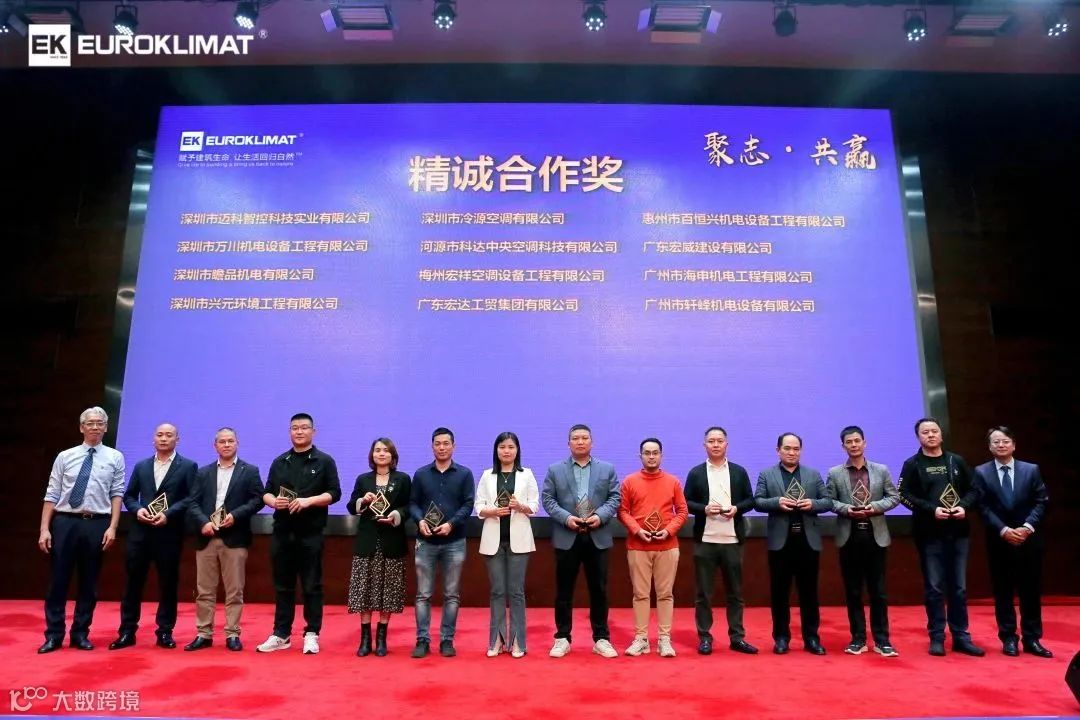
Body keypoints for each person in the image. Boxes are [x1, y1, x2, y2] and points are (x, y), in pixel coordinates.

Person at [38, 406, 126, 653]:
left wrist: (113, 527)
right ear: (81, 427)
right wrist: (44, 529)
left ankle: (80, 633)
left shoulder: (115, 457)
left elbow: (117, 493)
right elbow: (52, 493)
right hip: (65, 522)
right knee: (58, 580)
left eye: (100, 423)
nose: (95, 427)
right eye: (90, 423)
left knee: (89, 582)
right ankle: (54, 635)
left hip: (97, 523)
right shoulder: (65, 456)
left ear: (106, 428)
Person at [899, 417, 985, 657]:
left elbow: (974, 490)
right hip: (928, 534)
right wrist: (931, 510)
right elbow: (903, 495)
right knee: (935, 588)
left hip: (958, 533)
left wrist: (963, 507)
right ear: (918, 437)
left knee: (959, 588)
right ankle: (937, 636)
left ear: (941, 434)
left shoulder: (956, 461)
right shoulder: (912, 464)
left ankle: (961, 637)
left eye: (934, 431)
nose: (930, 435)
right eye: (925, 432)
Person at [256, 413, 341, 654]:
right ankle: (281, 634)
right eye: (295, 428)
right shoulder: (280, 461)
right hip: (282, 531)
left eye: (304, 428)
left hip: (311, 533)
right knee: (283, 585)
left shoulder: (324, 461)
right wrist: (274, 502)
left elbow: (334, 493)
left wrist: (308, 501)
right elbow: (266, 492)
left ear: (313, 431)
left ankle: (312, 633)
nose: (299, 432)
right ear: (290, 432)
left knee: (312, 585)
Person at [110, 423, 198, 650]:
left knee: (168, 584)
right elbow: (129, 496)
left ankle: (165, 632)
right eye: (160, 435)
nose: (164, 438)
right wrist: (137, 510)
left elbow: (191, 498)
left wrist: (168, 514)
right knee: (133, 583)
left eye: (169, 435)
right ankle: (127, 631)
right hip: (140, 533)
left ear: (177, 440)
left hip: (169, 533)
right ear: (153, 439)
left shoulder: (188, 466)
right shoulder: (141, 466)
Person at [541, 423, 621, 659]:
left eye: (585, 438)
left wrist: (600, 516)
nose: (580, 442)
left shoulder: (607, 469)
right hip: (567, 535)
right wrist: (566, 518)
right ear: (568, 443)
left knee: (600, 590)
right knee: (564, 591)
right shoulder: (555, 469)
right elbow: (548, 499)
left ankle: (601, 638)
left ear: (591, 442)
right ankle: (562, 638)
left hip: (597, 535)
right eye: (575, 438)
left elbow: (615, 497)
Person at [184, 427, 265, 652]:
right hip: (207, 537)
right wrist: (203, 522)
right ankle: (204, 633)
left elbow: (258, 500)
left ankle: (232, 633)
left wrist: (236, 515)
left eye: (230, 441)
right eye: (222, 441)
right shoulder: (203, 472)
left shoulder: (250, 471)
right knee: (204, 590)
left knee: (235, 590)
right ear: (215, 445)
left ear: (237, 443)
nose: (226, 445)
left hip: (235, 537)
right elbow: (192, 502)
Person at [974, 426, 1051, 658]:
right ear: (990, 447)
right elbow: (982, 506)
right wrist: (1004, 530)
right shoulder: (981, 472)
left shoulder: (1031, 469)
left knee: (1031, 591)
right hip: (999, 540)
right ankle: (1008, 638)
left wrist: (1027, 527)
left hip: (1029, 539)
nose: (1001, 445)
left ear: (1014, 445)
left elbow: (1041, 501)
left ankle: (1032, 639)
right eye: (996, 442)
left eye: (1005, 441)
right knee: (1003, 591)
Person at [826, 425, 901, 657]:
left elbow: (894, 497)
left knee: (878, 592)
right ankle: (858, 639)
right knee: (853, 591)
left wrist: (874, 507)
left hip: (875, 536)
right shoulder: (835, 473)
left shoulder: (881, 470)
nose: (854, 445)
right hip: (849, 537)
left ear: (864, 443)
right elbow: (829, 501)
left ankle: (882, 640)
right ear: (843, 446)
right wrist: (847, 509)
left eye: (857, 440)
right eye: (849, 442)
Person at [683, 426, 758, 655]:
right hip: (705, 541)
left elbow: (750, 500)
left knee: (735, 593)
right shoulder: (696, 473)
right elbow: (686, 503)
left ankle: (737, 638)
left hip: (733, 541)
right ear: (704, 445)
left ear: (727, 444)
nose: (715, 445)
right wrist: (704, 509)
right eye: (711, 441)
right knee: (703, 594)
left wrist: (736, 508)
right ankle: (705, 637)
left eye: (719, 441)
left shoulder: (738, 472)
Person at [754, 432, 830, 655]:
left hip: (808, 541)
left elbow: (828, 501)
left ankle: (812, 638)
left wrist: (812, 504)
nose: (792, 452)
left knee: (809, 593)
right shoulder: (767, 474)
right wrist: (776, 502)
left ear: (801, 451)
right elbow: (757, 501)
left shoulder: (812, 474)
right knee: (779, 593)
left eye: (796, 449)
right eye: (787, 448)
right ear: (778, 450)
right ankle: (781, 638)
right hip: (780, 543)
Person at [617, 438, 688, 658]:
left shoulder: (673, 481)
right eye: (647, 453)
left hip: (667, 546)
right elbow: (622, 511)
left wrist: (669, 530)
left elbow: (682, 511)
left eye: (655, 453)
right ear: (640, 456)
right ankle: (641, 639)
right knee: (640, 594)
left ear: (661, 456)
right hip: (638, 546)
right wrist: (637, 530)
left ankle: (664, 639)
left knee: (665, 594)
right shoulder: (629, 481)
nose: (651, 456)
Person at [409, 427, 475, 658]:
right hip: (425, 541)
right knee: (423, 594)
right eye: (437, 443)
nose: (442, 447)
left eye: (446, 443)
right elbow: (413, 503)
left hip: (454, 541)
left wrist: (451, 524)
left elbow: (468, 504)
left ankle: (447, 640)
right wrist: (419, 521)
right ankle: (422, 640)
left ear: (453, 446)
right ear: (432, 446)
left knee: (451, 594)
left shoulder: (464, 474)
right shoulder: (421, 474)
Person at [475, 431, 539, 658]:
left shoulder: (526, 474)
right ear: (496, 450)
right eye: (502, 447)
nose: (506, 451)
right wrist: (491, 511)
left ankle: (518, 641)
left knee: (516, 592)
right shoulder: (487, 475)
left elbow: (535, 506)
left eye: (511, 447)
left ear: (517, 450)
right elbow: (478, 506)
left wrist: (520, 506)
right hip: (493, 541)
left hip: (519, 542)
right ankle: (496, 640)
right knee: (497, 591)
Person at [347, 437, 411, 657]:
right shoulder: (363, 479)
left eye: (385, 450)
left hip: (392, 540)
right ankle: (365, 638)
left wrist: (396, 515)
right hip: (367, 541)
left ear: (393, 455)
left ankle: (382, 637)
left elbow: (408, 506)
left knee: (388, 591)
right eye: (377, 450)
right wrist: (362, 501)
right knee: (364, 590)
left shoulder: (403, 479)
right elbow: (351, 506)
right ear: (372, 455)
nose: (381, 454)